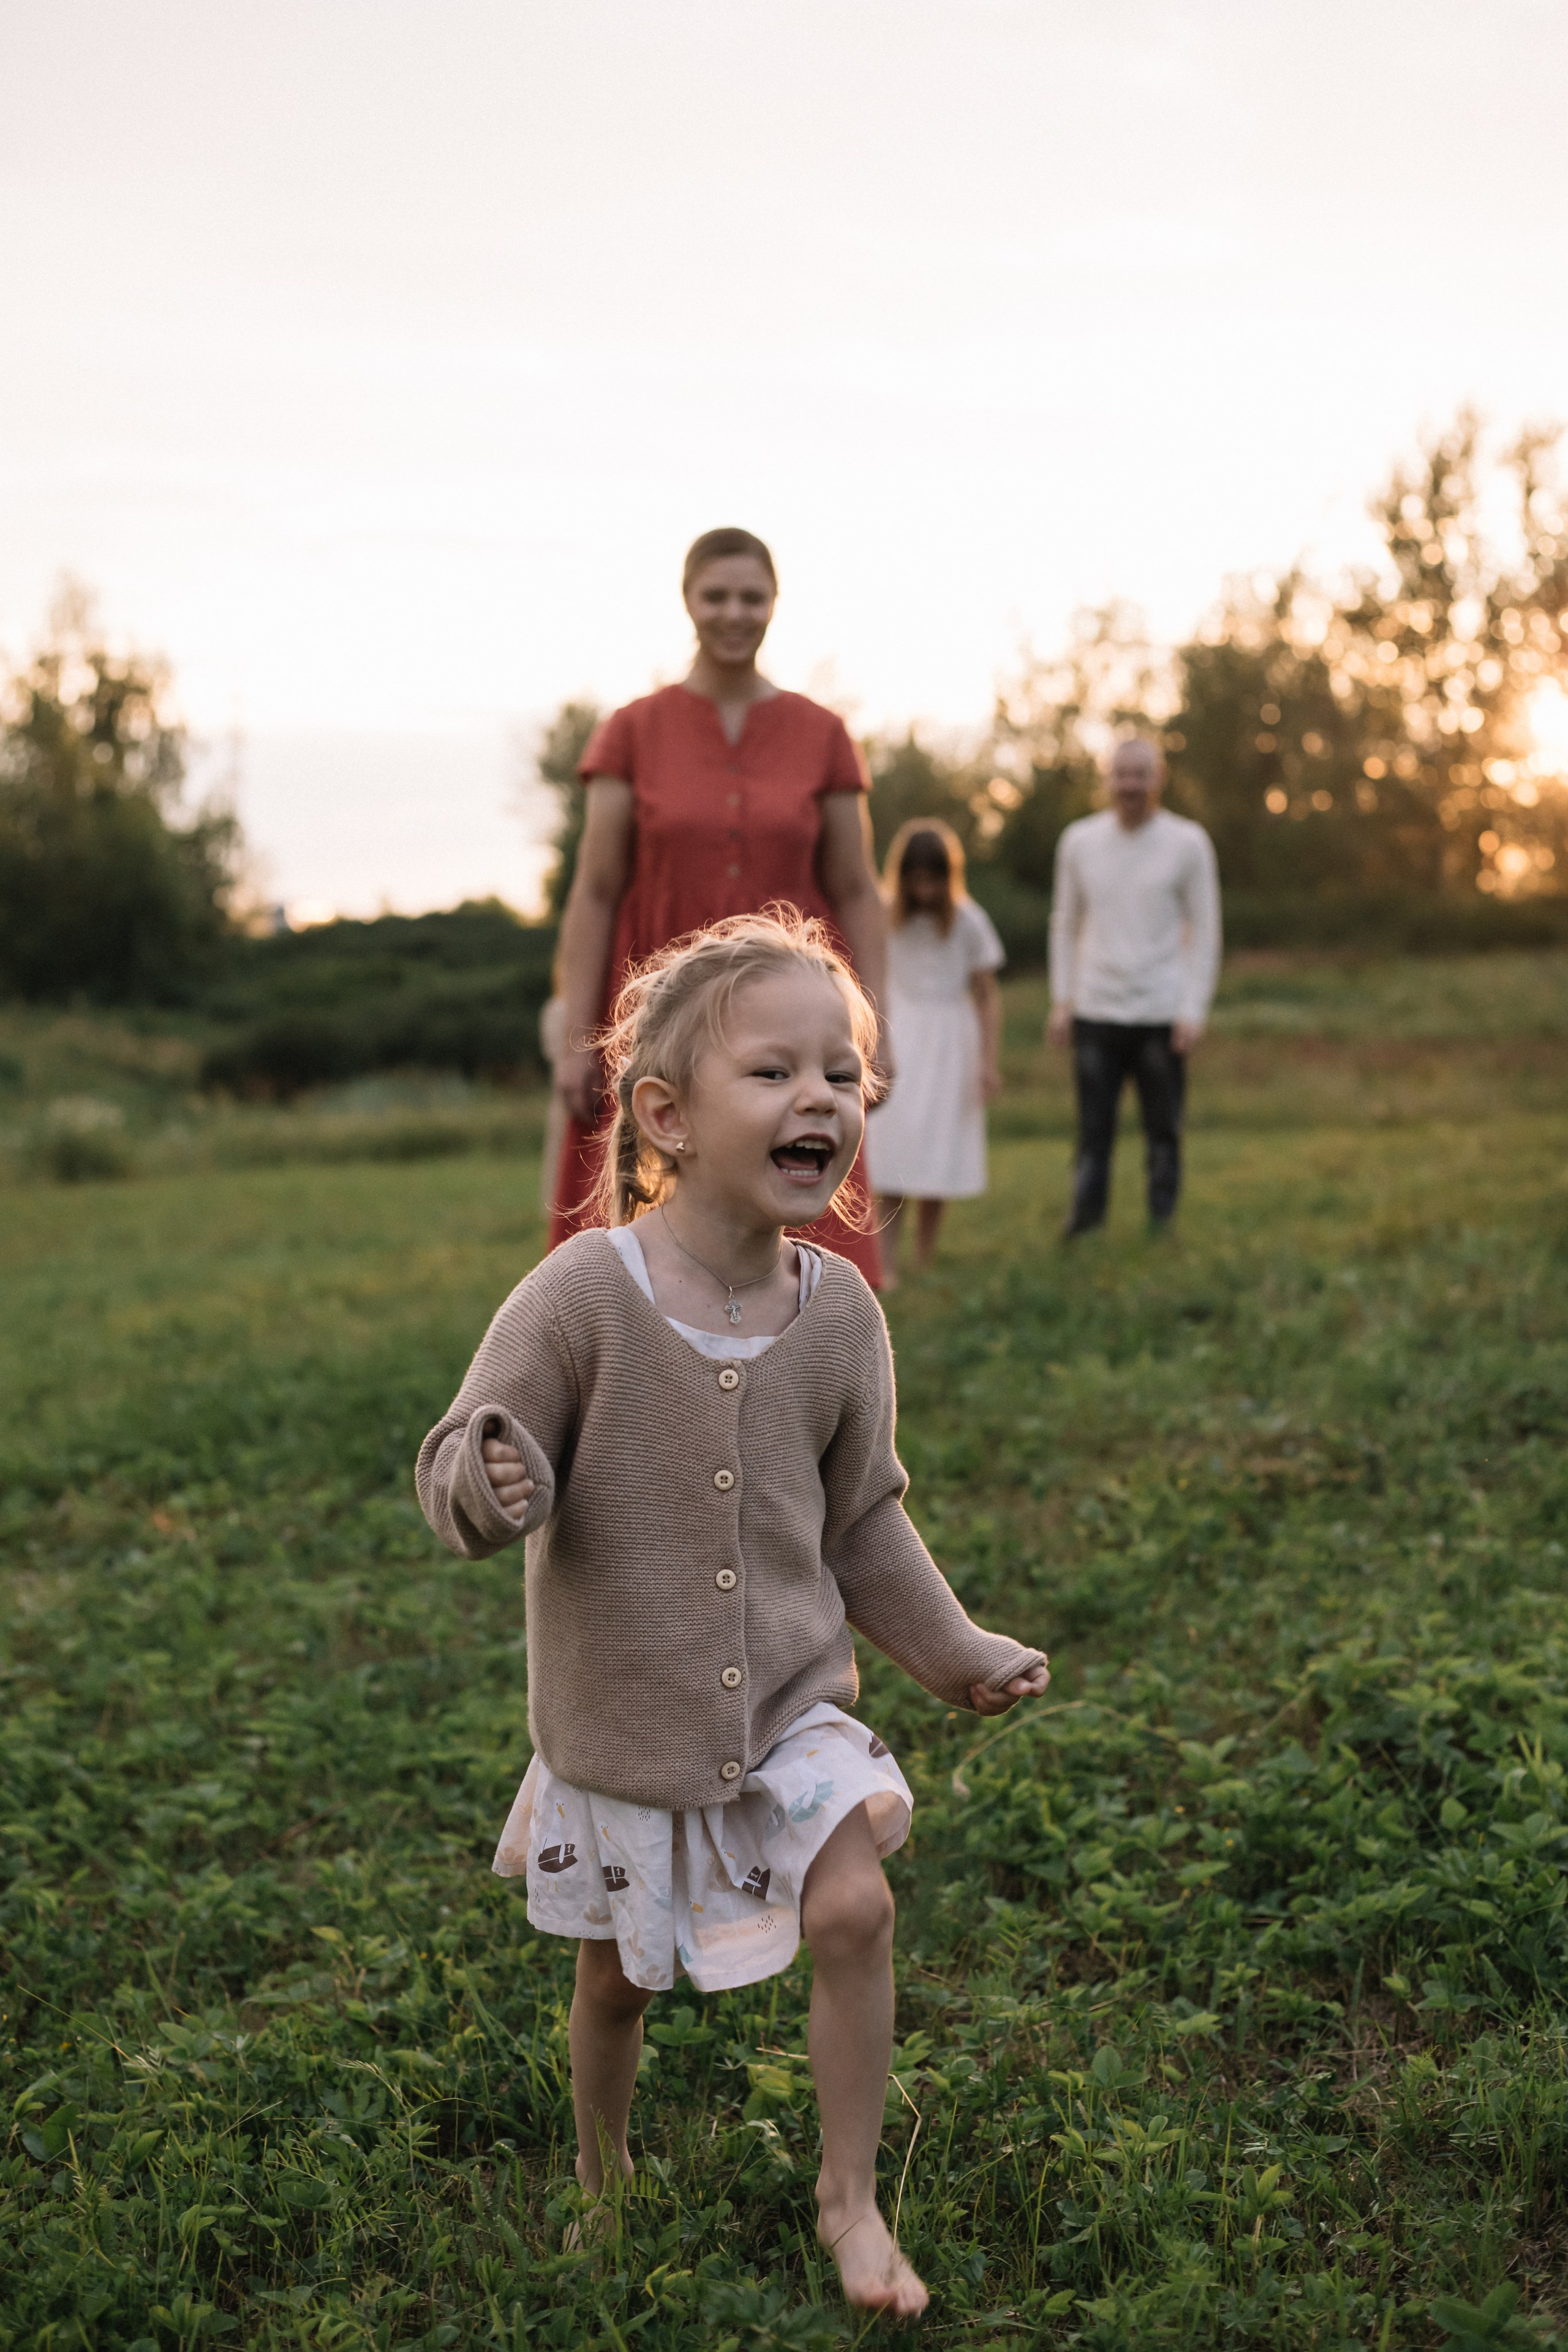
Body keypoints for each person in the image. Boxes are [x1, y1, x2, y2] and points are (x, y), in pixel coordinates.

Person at [416, 911, 1048, 2318]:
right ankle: (602, 2168)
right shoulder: (583, 1291)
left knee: (855, 1903)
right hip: (623, 1718)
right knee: (615, 1984)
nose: (817, 1095)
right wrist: (491, 1479)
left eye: (839, 1071)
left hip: (787, 1704)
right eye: (772, 1071)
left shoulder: (839, 1317)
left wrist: (950, 1650)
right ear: (664, 1114)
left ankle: (849, 2194)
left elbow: (863, 1515)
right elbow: (461, 1451)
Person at [548, 526, 889, 1284]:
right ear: (688, 602)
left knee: (796, 1194)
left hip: (795, 1010)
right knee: (642, 1221)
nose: (734, 613)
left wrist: (875, 1030)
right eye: (717, 596)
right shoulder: (631, 731)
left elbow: (858, 891)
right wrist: (577, 1033)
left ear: (774, 605)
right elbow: (596, 889)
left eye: (751, 597)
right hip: (656, 1012)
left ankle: (804, 1368)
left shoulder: (822, 734)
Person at [1047, 737, 1220, 1236]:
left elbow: (1206, 931)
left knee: (1164, 1129)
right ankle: (1085, 1221)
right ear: (1107, 779)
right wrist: (1063, 1000)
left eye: (1140, 775)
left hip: (1161, 1012)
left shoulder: (1188, 843)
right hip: (1096, 1009)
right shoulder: (1078, 841)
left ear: (1158, 777)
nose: (1130, 786)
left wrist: (1193, 1009)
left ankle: (1161, 1221)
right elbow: (1065, 923)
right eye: (1121, 775)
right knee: (1093, 1131)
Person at [865, 820, 1005, 1286]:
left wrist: (988, 1062)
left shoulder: (968, 920)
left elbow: (987, 994)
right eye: (915, 878)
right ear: (901, 876)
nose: (924, 889)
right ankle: (885, 1263)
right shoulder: (884, 915)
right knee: (893, 1149)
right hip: (901, 1034)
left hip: (951, 1043)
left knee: (938, 1150)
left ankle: (924, 1257)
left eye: (933, 878)